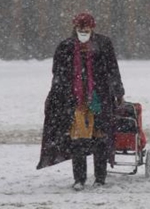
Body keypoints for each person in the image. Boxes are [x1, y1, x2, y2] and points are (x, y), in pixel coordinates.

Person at [37, 13, 125, 190]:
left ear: (92, 28)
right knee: (77, 140)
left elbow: (112, 69)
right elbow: (58, 74)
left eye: (86, 28)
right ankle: (79, 179)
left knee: (100, 137)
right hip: (75, 101)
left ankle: (100, 178)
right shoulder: (65, 47)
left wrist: (118, 92)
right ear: (75, 28)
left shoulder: (103, 44)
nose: (83, 31)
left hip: (99, 99)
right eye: (80, 28)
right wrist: (55, 95)